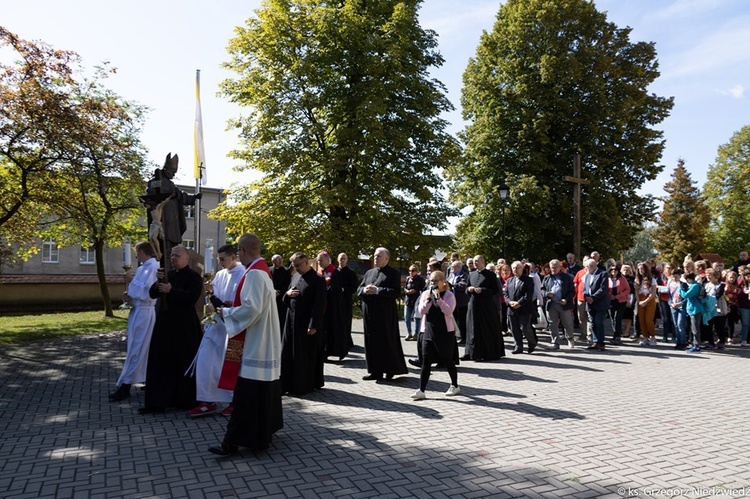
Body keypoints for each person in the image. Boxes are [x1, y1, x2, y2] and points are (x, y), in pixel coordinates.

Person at [206, 233, 283, 456]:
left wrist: (226, 311)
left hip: (255, 343)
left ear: (243, 250)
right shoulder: (262, 271)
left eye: (238, 251)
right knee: (260, 393)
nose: (238, 255)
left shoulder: (255, 274)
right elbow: (254, 304)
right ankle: (261, 435)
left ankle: (232, 442)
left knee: (246, 396)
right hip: (262, 339)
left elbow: (252, 309)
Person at [139, 245, 203, 414]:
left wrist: (171, 290)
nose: (173, 258)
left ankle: (185, 400)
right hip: (165, 324)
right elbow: (153, 294)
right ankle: (159, 401)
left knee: (183, 361)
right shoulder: (168, 275)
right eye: (172, 255)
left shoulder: (194, 277)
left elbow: (191, 297)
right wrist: (159, 282)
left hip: (184, 326)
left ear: (187, 259)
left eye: (177, 255)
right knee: (161, 361)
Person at [186, 244, 245, 418]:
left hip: (232, 328)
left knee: (230, 366)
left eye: (223, 259)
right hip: (215, 325)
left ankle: (234, 401)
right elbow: (214, 300)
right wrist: (210, 296)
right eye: (218, 259)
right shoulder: (219, 275)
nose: (219, 262)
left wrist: (222, 304)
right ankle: (207, 400)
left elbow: (240, 303)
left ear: (234, 257)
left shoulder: (243, 274)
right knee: (205, 363)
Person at [109, 241, 159, 402]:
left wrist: (132, 282)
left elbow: (149, 291)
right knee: (137, 347)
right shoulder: (143, 267)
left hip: (145, 312)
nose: (136, 255)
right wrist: (128, 295)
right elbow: (138, 290)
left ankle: (126, 384)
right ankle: (146, 378)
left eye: (137, 252)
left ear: (143, 252)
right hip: (137, 311)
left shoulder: (153, 267)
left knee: (137, 348)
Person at [357, 247, 408, 380]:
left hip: (384, 314)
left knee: (386, 341)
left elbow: (395, 292)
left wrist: (378, 290)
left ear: (386, 258)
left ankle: (390, 369)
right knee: (371, 341)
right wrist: (365, 290)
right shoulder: (369, 272)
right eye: (374, 256)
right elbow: (358, 289)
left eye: (379, 256)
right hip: (370, 313)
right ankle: (375, 371)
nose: (375, 258)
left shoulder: (393, 273)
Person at [281, 252, 327, 395]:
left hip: (305, 324)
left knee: (304, 355)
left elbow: (319, 305)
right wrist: (287, 295)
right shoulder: (295, 276)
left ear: (307, 262)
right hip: (291, 322)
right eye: (294, 265)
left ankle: (303, 385)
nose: (296, 268)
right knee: (287, 353)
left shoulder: (317, 280)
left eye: (298, 265)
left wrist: (313, 325)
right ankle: (286, 384)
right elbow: (286, 297)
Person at [411, 271, 461, 400]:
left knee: (447, 360)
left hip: (444, 332)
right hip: (428, 331)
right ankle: (421, 389)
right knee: (426, 362)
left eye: (436, 281)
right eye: (431, 281)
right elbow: (421, 311)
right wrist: (429, 300)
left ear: (443, 281)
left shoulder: (449, 295)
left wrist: (439, 299)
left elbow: (449, 311)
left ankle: (454, 385)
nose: (433, 283)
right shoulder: (425, 294)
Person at [463, 255, 505, 361]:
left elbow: (496, 291)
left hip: (486, 307)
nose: (475, 263)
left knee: (486, 329)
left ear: (483, 261)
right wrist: (469, 289)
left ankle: (486, 353)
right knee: (472, 328)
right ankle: (471, 352)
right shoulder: (471, 274)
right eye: (474, 261)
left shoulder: (490, 275)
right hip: (473, 305)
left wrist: (482, 290)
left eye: (477, 261)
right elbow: (466, 289)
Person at [317, 251, 349, 361]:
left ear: (327, 260)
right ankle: (324, 352)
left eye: (321, 260)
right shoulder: (320, 271)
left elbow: (335, 289)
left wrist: (323, 289)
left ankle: (336, 351)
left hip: (332, 306)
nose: (319, 262)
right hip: (322, 305)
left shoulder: (334, 272)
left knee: (333, 330)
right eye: (318, 260)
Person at [541, 259, 576, 350]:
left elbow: (572, 291)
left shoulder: (567, 277)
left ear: (560, 267)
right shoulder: (547, 278)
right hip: (551, 304)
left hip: (564, 304)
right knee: (552, 324)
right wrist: (546, 294)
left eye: (555, 267)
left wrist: (566, 299)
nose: (553, 269)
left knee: (567, 323)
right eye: (552, 268)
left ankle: (570, 338)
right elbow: (542, 290)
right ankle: (555, 342)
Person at [505, 260, 537, 354]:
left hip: (524, 308)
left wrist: (518, 303)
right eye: (514, 268)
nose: (515, 270)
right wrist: (510, 302)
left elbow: (528, 295)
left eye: (517, 268)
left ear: (522, 268)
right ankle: (518, 347)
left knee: (525, 328)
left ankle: (532, 342)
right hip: (511, 309)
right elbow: (505, 294)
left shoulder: (528, 280)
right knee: (514, 329)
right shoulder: (510, 280)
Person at [583, 258, 609, 350]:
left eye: (587, 267)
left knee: (599, 322)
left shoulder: (603, 274)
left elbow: (603, 289)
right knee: (592, 323)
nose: (586, 269)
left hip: (600, 303)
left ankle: (601, 343)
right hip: (590, 303)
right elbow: (585, 288)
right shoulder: (587, 276)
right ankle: (595, 342)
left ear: (593, 266)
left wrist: (593, 298)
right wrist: (586, 297)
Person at [337, 252, 357, 349]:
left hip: (346, 301)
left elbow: (354, 287)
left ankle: (346, 341)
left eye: (344, 258)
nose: (342, 260)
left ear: (347, 260)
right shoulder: (334, 272)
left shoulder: (351, 273)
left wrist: (343, 290)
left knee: (346, 321)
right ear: (338, 260)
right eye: (341, 258)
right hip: (335, 301)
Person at [635, 262, 658, 346]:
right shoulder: (637, 279)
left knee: (648, 319)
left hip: (649, 300)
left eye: (642, 268)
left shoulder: (652, 279)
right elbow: (636, 292)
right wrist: (639, 301)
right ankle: (645, 337)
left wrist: (645, 301)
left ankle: (652, 337)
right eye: (639, 269)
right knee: (641, 320)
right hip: (640, 299)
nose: (641, 270)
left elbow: (653, 293)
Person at [680, 272, 704, 353]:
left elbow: (685, 295)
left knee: (695, 329)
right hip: (693, 309)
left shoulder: (695, 286)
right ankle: (695, 344)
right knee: (694, 328)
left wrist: (681, 289)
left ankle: (697, 346)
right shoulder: (694, 285)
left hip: (695, 309)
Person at [447, 260, 469, 345]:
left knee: (462, 320)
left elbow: (463, 285)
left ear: (459, 267)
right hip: (451, 301)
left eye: (453, 266)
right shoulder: (451, 275)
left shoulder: (464, 275)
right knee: (453, 320)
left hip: (461, 302)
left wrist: (452, 285)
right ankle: (454, 336)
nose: (452, 268)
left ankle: (464, 337)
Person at [607, 264, 630, 345]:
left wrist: (620, 295)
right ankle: (615, 334)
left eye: (615, 270)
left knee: (618, 318)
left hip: (621, 301)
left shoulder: (622, 279)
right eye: (612, 270)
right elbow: (605, 289)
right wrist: (610, 296)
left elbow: (627, 289)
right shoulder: (607, 279)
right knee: (612, 319)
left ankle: (617, 336)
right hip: (611, 301)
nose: (614, 272)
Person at [403, 265, 425, 341]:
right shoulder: (408, 279)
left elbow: (423, 290)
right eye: (409, 271)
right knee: (407, 317)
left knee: (416, 318)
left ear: (417, 271)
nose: (411, 272)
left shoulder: (420, 279)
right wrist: (407, 291)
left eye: (413, 271)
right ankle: (409, 333)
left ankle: (416, 334)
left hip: (416, 300)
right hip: (408, 300)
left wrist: (415, 291)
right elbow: (405, 287)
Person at [271, 254, 291, 331]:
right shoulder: (269, 270)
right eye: (277, 259)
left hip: (282, 297)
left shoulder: (286, 271)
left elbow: (288, 284)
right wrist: (273, 291)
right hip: (272, 297)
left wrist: (280, 291)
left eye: (281, 259)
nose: (280, 261)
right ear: (272, 261)